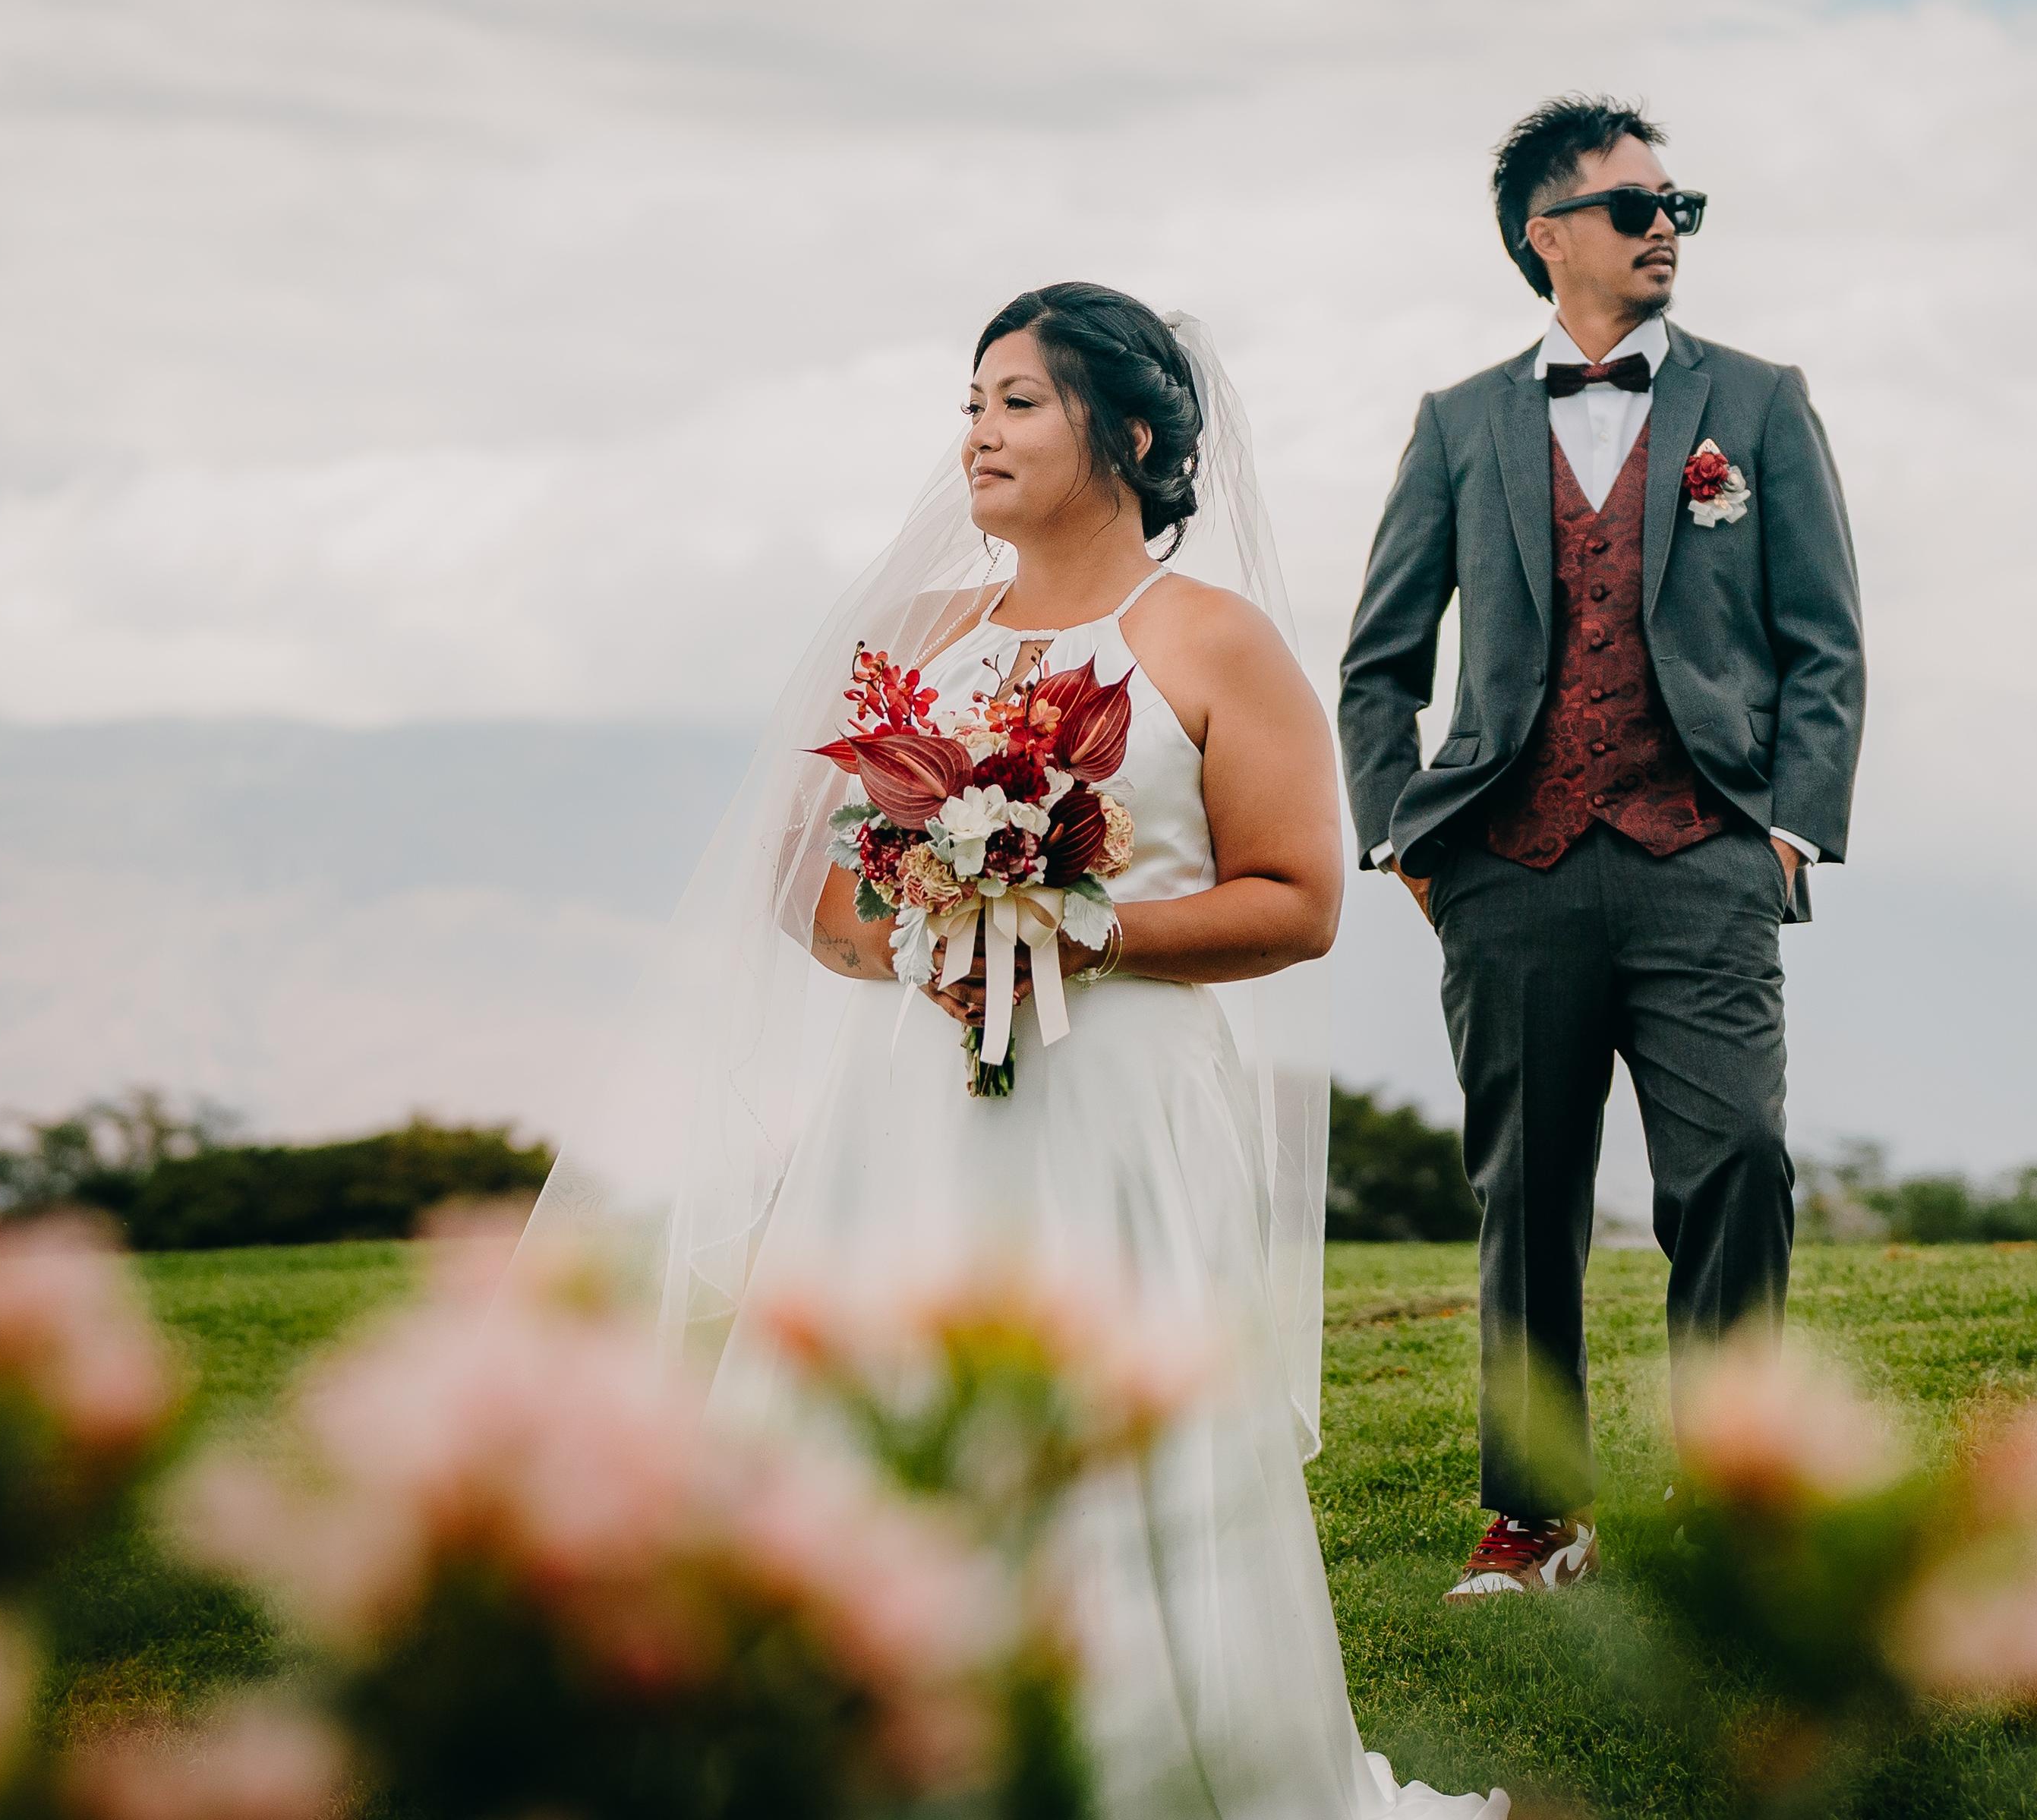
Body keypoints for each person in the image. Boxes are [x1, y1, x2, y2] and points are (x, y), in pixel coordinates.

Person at [526, 285, 1500, 1816]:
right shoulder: (912, 641)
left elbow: (1299, 901)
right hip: (908, 1108)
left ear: (1127, 431)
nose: (977, 432)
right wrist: (920, 928)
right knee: (871, 1403)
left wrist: (1077, 926)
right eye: (971, 401)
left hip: (1119, 1108)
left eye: (1017, 400)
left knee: (1126, 1432)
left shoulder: (1214, 643)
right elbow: (810, 883)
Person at [1339, 96, 1865, 1601]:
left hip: (1706, 852)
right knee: (1530, 1195)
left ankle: (1736, 1499)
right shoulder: (1457, 424)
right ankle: (1537, 1515)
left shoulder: (1760, 402)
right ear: (1546, 233)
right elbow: (1379, 661)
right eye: (1636, 206)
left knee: (1741, 1165)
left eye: (1678, 206)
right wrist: (1405, 839)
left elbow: (1825, 641)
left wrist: (1786, 826)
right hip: (1510, 868)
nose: (1664, 230)